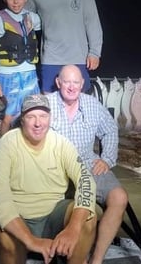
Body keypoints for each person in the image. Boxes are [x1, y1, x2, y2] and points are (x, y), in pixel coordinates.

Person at [0, 94, 97, 264]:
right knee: (4, 237)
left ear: (50, 118)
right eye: (31, 117)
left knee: (88, 219)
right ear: (22, 120)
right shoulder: (5, 146)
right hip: (19, 216)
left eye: (43, 116)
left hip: (54, 214)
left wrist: (73, 229)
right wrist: (31, 241)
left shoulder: (61, 143)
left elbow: (85, 180)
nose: (38, 123)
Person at [45, 65, 129, 264]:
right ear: (58, 83)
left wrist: (106, 158)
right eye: (67, 82)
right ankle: (74, 254)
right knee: (78, 211)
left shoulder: (92, 105)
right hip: (56, 170)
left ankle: (96, 259)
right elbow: (24, 126)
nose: (72, 87)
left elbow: (110, 130)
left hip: (89, 164)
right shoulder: (46, 104)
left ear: (83, 84)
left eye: (76, 82)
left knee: (119, 197)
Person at [0, 0, 41, 136]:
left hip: (30, 75)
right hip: (7, 77)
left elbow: (51, 22)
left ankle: (28, 150)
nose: (15, 1)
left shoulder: (33, 18)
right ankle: (4, 152)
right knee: (8, 118)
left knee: (31, 114)